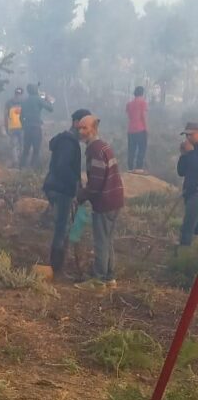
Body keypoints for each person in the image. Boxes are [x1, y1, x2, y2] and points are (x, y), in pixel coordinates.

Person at [76, 115, 124, 288]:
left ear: (94, 128)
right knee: (108, 239)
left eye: (85, 128)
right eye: (79, 128)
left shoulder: (94, 149)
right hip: (115, 199)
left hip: (105, 201)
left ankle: (98, 279)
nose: (81, 131)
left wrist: (82, 194)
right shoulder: (104, 145)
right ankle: (109, 277)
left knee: (101, 241)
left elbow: (96, 181)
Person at [43, 109, 92, 274]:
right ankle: (56, 267)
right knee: (61, 228)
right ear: (76, 122)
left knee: (61, 226)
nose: (87, 130)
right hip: (61, 189)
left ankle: (56, 265)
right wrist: (75, 184)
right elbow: (62, 167)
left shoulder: (66, 139)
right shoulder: (69, 142)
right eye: (85, 125)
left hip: (56, 187)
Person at [20, 83, 53, 167]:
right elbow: (50, 109)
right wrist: (48, 99)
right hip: (36, 128)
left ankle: (21, 168)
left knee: (26, 149)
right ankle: (32, 169)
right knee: (36, 149)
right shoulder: (38, 99)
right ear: (35, 90)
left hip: (27, 128)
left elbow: (21, 117)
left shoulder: (24, 101)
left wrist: (24, 126)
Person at [177, 122, 198, 246]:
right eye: (186, 135)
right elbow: (181, 171)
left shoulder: (193, 152)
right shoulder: (190, 151)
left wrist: (189, 154)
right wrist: (183, 155)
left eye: (191, 135)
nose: (188, 138)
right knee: (193, 226)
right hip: (189, 193)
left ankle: (184, 253)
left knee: (188, 225)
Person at [126, 85, 148, 172]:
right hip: (141, 129)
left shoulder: (129, 104)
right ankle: (139, 167)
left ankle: (130, 168)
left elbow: (129, 116)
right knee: (142, 148)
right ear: (142, 93)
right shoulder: (143, 103)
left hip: (131, 129)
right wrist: (146, 128)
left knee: (131, 149)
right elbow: (143, 116)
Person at [4, 87, 24, 165]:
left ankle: (16, 161)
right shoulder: (24, 102)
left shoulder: (8, 102)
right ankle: (21, 161)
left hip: (12, 127)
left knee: (14, 145)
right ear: (22, 94)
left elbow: (5, 116)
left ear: (15, 93)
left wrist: (6, 127)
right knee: (22, 144)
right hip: (22, 127)